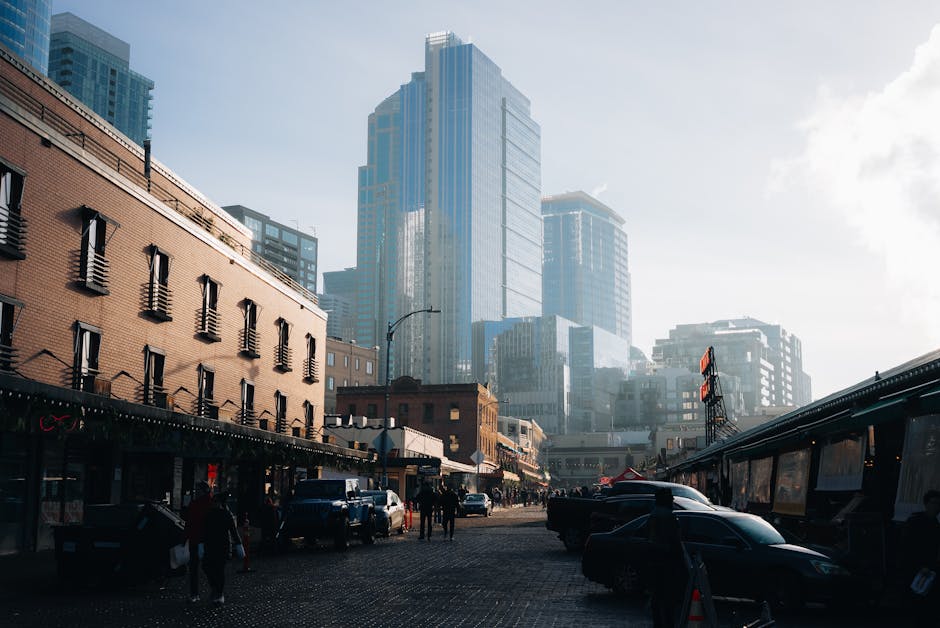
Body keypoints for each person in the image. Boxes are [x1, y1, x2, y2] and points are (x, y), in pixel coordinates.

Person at [898, 489, 940, 624]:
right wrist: (920, 565)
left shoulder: (935, 525)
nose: (936, 507)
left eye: (938, 504)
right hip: (916, 568)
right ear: (926, 504)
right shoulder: (916, 522)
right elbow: (908, 547)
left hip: (929, 569)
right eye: (934, 503)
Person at [648, 488, 687, 628]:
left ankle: (658, 623)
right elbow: (675, 540)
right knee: (668, 598)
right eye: (670, 499)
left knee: (657, 596)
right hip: (667, 561)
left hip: (656, 560)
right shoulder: (668, 517)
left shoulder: (654, 514)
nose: (672, 501)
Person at [201, 492, 243, 605]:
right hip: (213, 545)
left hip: (221, 546)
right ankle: (216, 590)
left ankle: (218, 592)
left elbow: (233, 531)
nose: (213, 503)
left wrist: (239, 544)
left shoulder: (223, 514)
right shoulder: (210, 514)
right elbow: (203, 530)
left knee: (217, 570)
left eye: (215, 501)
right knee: (208, 567)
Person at [182, 481, 212, 603]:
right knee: (197, 568)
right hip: (200, 540)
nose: (196, 492)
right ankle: (196, 593)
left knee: (203, 567)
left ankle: (196, 593)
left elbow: (190, 523)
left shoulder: (204, 504)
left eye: (198, 490)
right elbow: (189, 523)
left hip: (201, 540)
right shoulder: (199, 504)